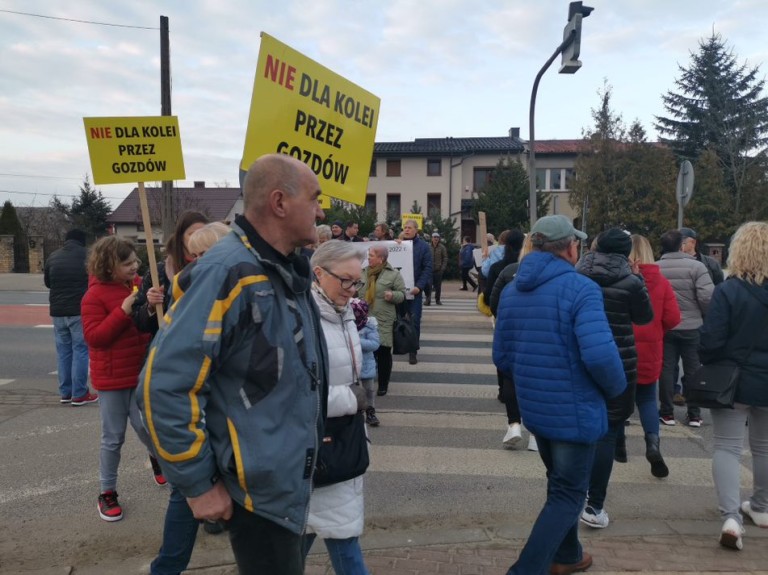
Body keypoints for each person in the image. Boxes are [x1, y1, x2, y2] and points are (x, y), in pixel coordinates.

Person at [138, 154, 327, 574]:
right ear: (279, 202)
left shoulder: (278, 269)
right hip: (256, 493)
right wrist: (198, 483)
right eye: (314, 198)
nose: (321, 209)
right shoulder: (226, 273)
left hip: (283, 481)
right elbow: (161, 388)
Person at [493, 215, 626, 575]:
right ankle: (525, 569)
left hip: (538, 408)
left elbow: (501, 357)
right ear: (570, 247)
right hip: (575, 410)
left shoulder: (512, 290)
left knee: (560, 486)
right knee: (569, 495)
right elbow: (600, 355)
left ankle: (568, 554)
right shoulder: (581, 289)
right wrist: (616, 389)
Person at [143, 219, 232, 575]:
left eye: (205, 254)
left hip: (228, 426)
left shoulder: (231, 292)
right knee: (187, 497)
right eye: (194, 256)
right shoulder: (192, 298)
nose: (198, 263)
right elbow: (161, 386)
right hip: (207, 425)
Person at [576, 229, 653, 530]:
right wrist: (639, 280)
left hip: (582, 359)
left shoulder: (577, 275)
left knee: (581, 427)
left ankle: (575, 488)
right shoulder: (632, 282)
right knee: (608, 432)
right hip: (619, 362)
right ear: (626, 254)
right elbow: (644, 318)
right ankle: (595, 505)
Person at [699, 221, 768, 551]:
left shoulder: (729, 290)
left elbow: (711, 340)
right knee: (765, 446)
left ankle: (731, 517)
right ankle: (762, 506)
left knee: (726, 446)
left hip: (733, 379)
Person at [80, 236, 160, 522]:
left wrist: (149, 308)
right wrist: (123, 310)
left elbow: (144, 326)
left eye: (135, 261)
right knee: (113, 437)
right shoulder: (93, 296)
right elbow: (95, 337)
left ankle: (160, 462)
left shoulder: (137, 285)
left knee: (147, 427)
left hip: (139, 371)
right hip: (112, 378)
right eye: (127, 263)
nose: (134, 266)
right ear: (109, 265)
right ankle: (107, 492)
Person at [304, 241, 370, 573]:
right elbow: (298, 393)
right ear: (319, 273)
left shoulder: (341, 312)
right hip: (319, 449)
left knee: (303, 541)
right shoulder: (304, 319)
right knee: (342, 543)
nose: (352, 289)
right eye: (346, 280)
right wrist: (353, 399)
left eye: (356, 281)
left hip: (339, 444)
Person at [614, 234, 680, 477]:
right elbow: (673, 318)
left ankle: (619, 448)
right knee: (647, 400)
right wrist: (657, 330)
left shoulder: (619, 280)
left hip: (622, 348)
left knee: (619, 398)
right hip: (651, 349)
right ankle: (652, 444)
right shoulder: (661, 283)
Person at [657, 229, 714, 427]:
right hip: (692, 325)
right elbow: (707, 297)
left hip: (666, 326)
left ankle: (666, 412)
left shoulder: (656, 268)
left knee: (666, 368)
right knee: (693, 369)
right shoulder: (696, 267)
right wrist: (703, 315)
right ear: (681, 245)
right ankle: (695, 413)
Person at [133, 210, 209, 337]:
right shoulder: (160, 272)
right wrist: (151, 306)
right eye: (192, 234)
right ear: (180, 237)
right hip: (168, 346)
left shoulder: (215, 268)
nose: (198, 238)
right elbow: (139, 323)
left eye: (203, 234)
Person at [485, 230, 527, 448]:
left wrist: (499, 316)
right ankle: (536, 434)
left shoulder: (499, 268)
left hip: (506, 325)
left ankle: (513, 422)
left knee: (507, 370)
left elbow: (490, 296)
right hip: (533, 328)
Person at [44, 228, 95, 405]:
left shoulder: (53, 256)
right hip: (79, 310)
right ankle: (79, 393)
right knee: (81, 350)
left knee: (63, 352)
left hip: (58, 311)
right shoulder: (88, 255)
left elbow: (48, 283)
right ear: (82, 240)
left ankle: (65, 393)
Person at [360, 244, 407, 397]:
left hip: (383, 319)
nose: (368, 258)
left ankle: (383, 384)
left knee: (383, 352)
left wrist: (392, 295)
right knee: (365, 351)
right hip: (363, 319)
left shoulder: (393, 274)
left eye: (371, 256)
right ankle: (366, 381)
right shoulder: (362, 272)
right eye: (368, 255)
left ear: (381, 259)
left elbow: (402, 295)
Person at [401, 219, 432, 365]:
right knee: (398, 320)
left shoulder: (424, 247)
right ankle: (400, 345)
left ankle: (413, 351)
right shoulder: (397, 245)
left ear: (416, 230)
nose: (406, 230)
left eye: (409, 228)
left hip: (415, 291)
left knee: (414, 321)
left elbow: (427, 268)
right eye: (405, 227)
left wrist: (419, 287)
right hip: (398, 291)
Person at [351, 298, 381, 426]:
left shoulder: (370, 326)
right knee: (355, 391)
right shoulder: (348, 326)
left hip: (366, 364)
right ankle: (355, 412)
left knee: (369, 390)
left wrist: (357, 341)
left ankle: (370, 411)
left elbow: (374, 344)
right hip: (352, 365)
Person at [426, 231, 448, 306]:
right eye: (434, 237)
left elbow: (445, 258)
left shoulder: (442, 247)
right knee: (428, 286)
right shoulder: (428, 246)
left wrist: (442, 268)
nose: (436, 239)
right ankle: (428, 300)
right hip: (429, 270)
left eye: (437, 237)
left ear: (439, 239)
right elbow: (425, 257)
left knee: (438, 287)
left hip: (438, 270)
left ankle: (437, 300)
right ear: (432, 238)